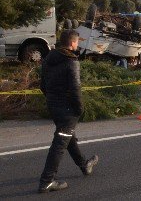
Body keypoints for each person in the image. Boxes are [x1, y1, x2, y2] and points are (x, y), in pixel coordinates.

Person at [39, 30, 98, 193]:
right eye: (77, 42)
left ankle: (84, 165)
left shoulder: (48, 59)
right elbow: (75, 88)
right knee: (59, 144)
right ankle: (47, 181)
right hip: (67, 109)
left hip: (53, 105)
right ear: (73, 43)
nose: (77, 45)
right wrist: (79, 109)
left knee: (67, 136)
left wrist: (52, 99)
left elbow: (42, 85)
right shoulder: (71, 61)